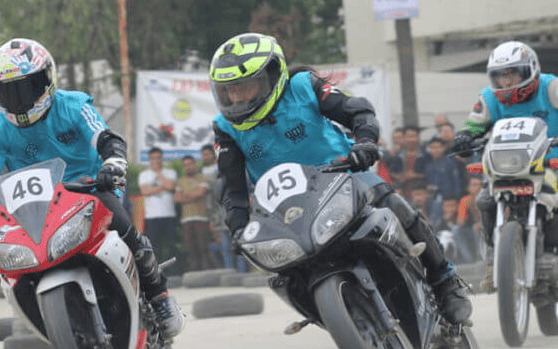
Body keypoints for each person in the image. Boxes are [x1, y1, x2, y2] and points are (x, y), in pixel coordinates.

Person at [209, 32, 472, 325]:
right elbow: (231, 187)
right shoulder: (225, 128)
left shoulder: (303, 86)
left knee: (390, 199)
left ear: (271, 76)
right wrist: (238, 228)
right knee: (282, 272)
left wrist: (365, 142)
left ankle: (445, 279)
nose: (236, 98)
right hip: (285, 207)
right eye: (228, 91)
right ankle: (330, 313)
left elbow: (356, 110)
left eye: (244, 87)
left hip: (344, 176)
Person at [0, 38, 183, 339]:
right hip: (33, 207)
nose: (18, 100)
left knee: (125, 229)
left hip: (91, 188)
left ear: (48, 80)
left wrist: (114, 162)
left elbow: (106, 138)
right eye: (8, 92)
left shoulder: (74, 105)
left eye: (26, 88)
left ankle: (160, 296)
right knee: (3, 259)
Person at [451, 41, 558, 280]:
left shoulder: (551, 87)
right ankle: (492, 255)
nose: (506, 82)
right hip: (506, 168)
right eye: (500, 76)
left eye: (512, 74)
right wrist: (464, 137)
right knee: (484, 200)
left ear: (530, 69)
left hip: (549, 166)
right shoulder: (489, 97)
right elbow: (473, 125)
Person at [202, 145, 246, 273]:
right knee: (226, 247)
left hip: (235, 215)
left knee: (238, 246)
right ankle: (229, 273)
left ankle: (242, 274)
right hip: (220, 218)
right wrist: (212, 219)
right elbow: (210, 201)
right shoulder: (211, 178)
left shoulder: (236, 173)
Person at [138, 147, 181, 273]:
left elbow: (170, 186)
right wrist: (163, 186)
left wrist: (159, 174)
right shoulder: (144, 174)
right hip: (151, 216)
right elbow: (145, 191)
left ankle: (175, 272)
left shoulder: (170, 172)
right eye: (153, 158)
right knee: (154, 247)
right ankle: (155, 273)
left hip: (169, 214)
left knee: (171, 245)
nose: (156, 160)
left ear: (162, 159)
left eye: (158, 158)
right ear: (150, 159)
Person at [173, 155, 216, 271]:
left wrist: (185, 194)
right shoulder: (180, 181)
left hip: (201, 217)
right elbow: (177, 198)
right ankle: (194, 272)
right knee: (190, 248)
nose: (188, 167)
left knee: (203, 247)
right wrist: (193, 195)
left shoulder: (202, 178)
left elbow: (201, 193)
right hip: (186, 219)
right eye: (185, 165)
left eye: (190, 164)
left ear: (195, 165)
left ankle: (207, 271)